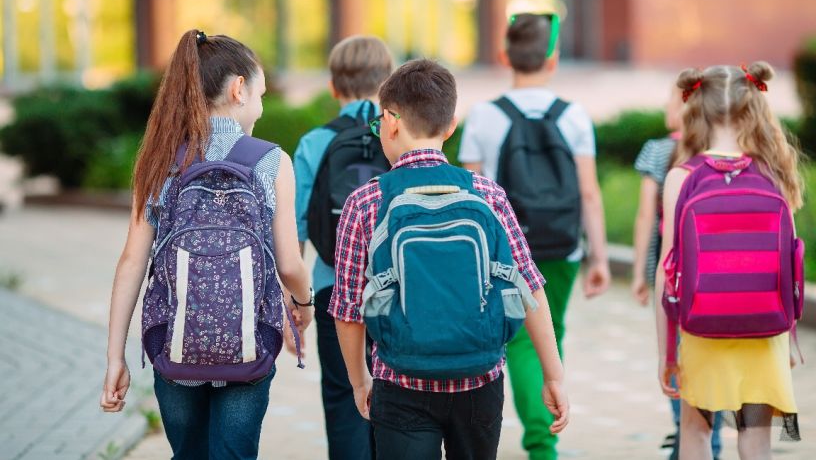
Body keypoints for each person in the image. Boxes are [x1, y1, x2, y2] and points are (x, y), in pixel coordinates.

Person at [331, 59, 569, 459]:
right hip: (480, 380)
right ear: (451, 125)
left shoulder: (366, 201)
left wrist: (360, 381)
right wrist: (554, 375)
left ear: (390, 122)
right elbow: (529, 285)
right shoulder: (487, 194)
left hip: (400, 381)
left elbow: (348, 309)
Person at [100, 29, 314, 459]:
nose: (261, 106)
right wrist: (303, 305)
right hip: (248, 347)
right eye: (260, 95)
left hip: (174, 344)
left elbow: (131, 263)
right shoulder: (272, 161)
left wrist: (115, 357)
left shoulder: (160, 159)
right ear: (239, 89)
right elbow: (290, 264)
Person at [459, 12, 610, 460]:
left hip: (506, 249)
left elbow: (471, 195)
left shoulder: (484, 116)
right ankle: (546, 438)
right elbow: (589, 192)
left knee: (522, 340)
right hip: (563, 244)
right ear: (553, 59)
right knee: (552, 330)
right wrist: (599, 257)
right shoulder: (574, 116)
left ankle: (542, 442)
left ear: (504, 56)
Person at [655, 62, 803, 460]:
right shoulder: (773, 173)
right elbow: (789, 262)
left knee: (696, 433)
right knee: (755, 440)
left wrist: (667, 352)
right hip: (765, 332)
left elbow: (666, 273)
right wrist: (790, 337)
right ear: (754, 108)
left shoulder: (682, 177)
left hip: (702, 332)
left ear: (695, 109)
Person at [294, 35, 393, 460]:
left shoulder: (315, 142)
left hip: (332, 288)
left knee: (343, 394)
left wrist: (294, 299)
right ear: (388, 82)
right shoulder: (399, 135)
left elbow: (297, 227)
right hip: (397, 288)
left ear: (333, 86)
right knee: (397, 397)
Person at [632, 86, 723, 459]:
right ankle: (710, 437)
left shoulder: (657, 150)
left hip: (670, 274)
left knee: (675, 353)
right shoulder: (717, 153)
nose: (665, 108)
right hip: (714, 276)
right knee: (710, 354)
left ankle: (688, 433)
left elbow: (645, 216)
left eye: (670, 101)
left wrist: (640, 272)